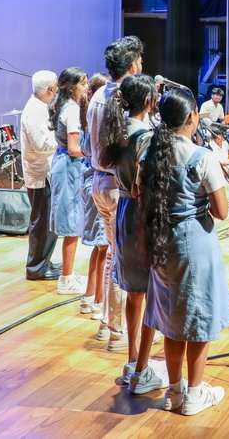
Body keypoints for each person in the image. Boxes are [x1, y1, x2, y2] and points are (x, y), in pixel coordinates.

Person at [139, 88, 229, 416]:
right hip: (194, 244)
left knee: (171, 318)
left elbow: (140, 193)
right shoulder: (202, 157)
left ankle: (175, 391)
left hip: (159, 241)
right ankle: (195, 394)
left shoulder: (149, 153)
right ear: (192, 118)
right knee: (197, 319)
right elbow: (222, 212)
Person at [98, 74, 169, 391]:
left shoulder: (116, 128)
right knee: (153, 292)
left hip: (125, 212)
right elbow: (147, 185)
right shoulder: (146, 136)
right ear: (151, 102)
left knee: (135, 292)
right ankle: (142, 370)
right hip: (143, 215)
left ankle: (133, 362)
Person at [87, 35, 144, 351]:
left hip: (99, 181)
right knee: (124, 260)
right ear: (133, 64)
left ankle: (108, 327)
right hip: (117, 185)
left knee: (113, 256)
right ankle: (119, 334)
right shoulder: (122, 100)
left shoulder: (97, 95)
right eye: (140, 61)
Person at [47, 67, 89, 296]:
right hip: (68, 167)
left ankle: (69, 273)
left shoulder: (65, 106)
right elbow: (74, 148)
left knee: (73, 220)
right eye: (83, 84)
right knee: (71, 222)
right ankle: (65, 278)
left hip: (65, 164)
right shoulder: (71, 110)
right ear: (72, 86)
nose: (86, 87)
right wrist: (95, 153)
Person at [20, 70, 59, 281]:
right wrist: (65, 141)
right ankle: (36, 268)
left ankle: (44, 262)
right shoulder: (34, 110)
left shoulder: (41, 106)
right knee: (41, 223)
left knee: (47, 224)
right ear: (51, 89)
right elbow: (42, 144)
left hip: (44, 173)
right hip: (39, 174)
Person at [79, 72, 110, 319]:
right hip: (97, 181)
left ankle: (90, 296)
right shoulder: (95, 121)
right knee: (103, 247)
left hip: (91, 180)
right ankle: (99, 301)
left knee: (99, 248)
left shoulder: (88, 116)